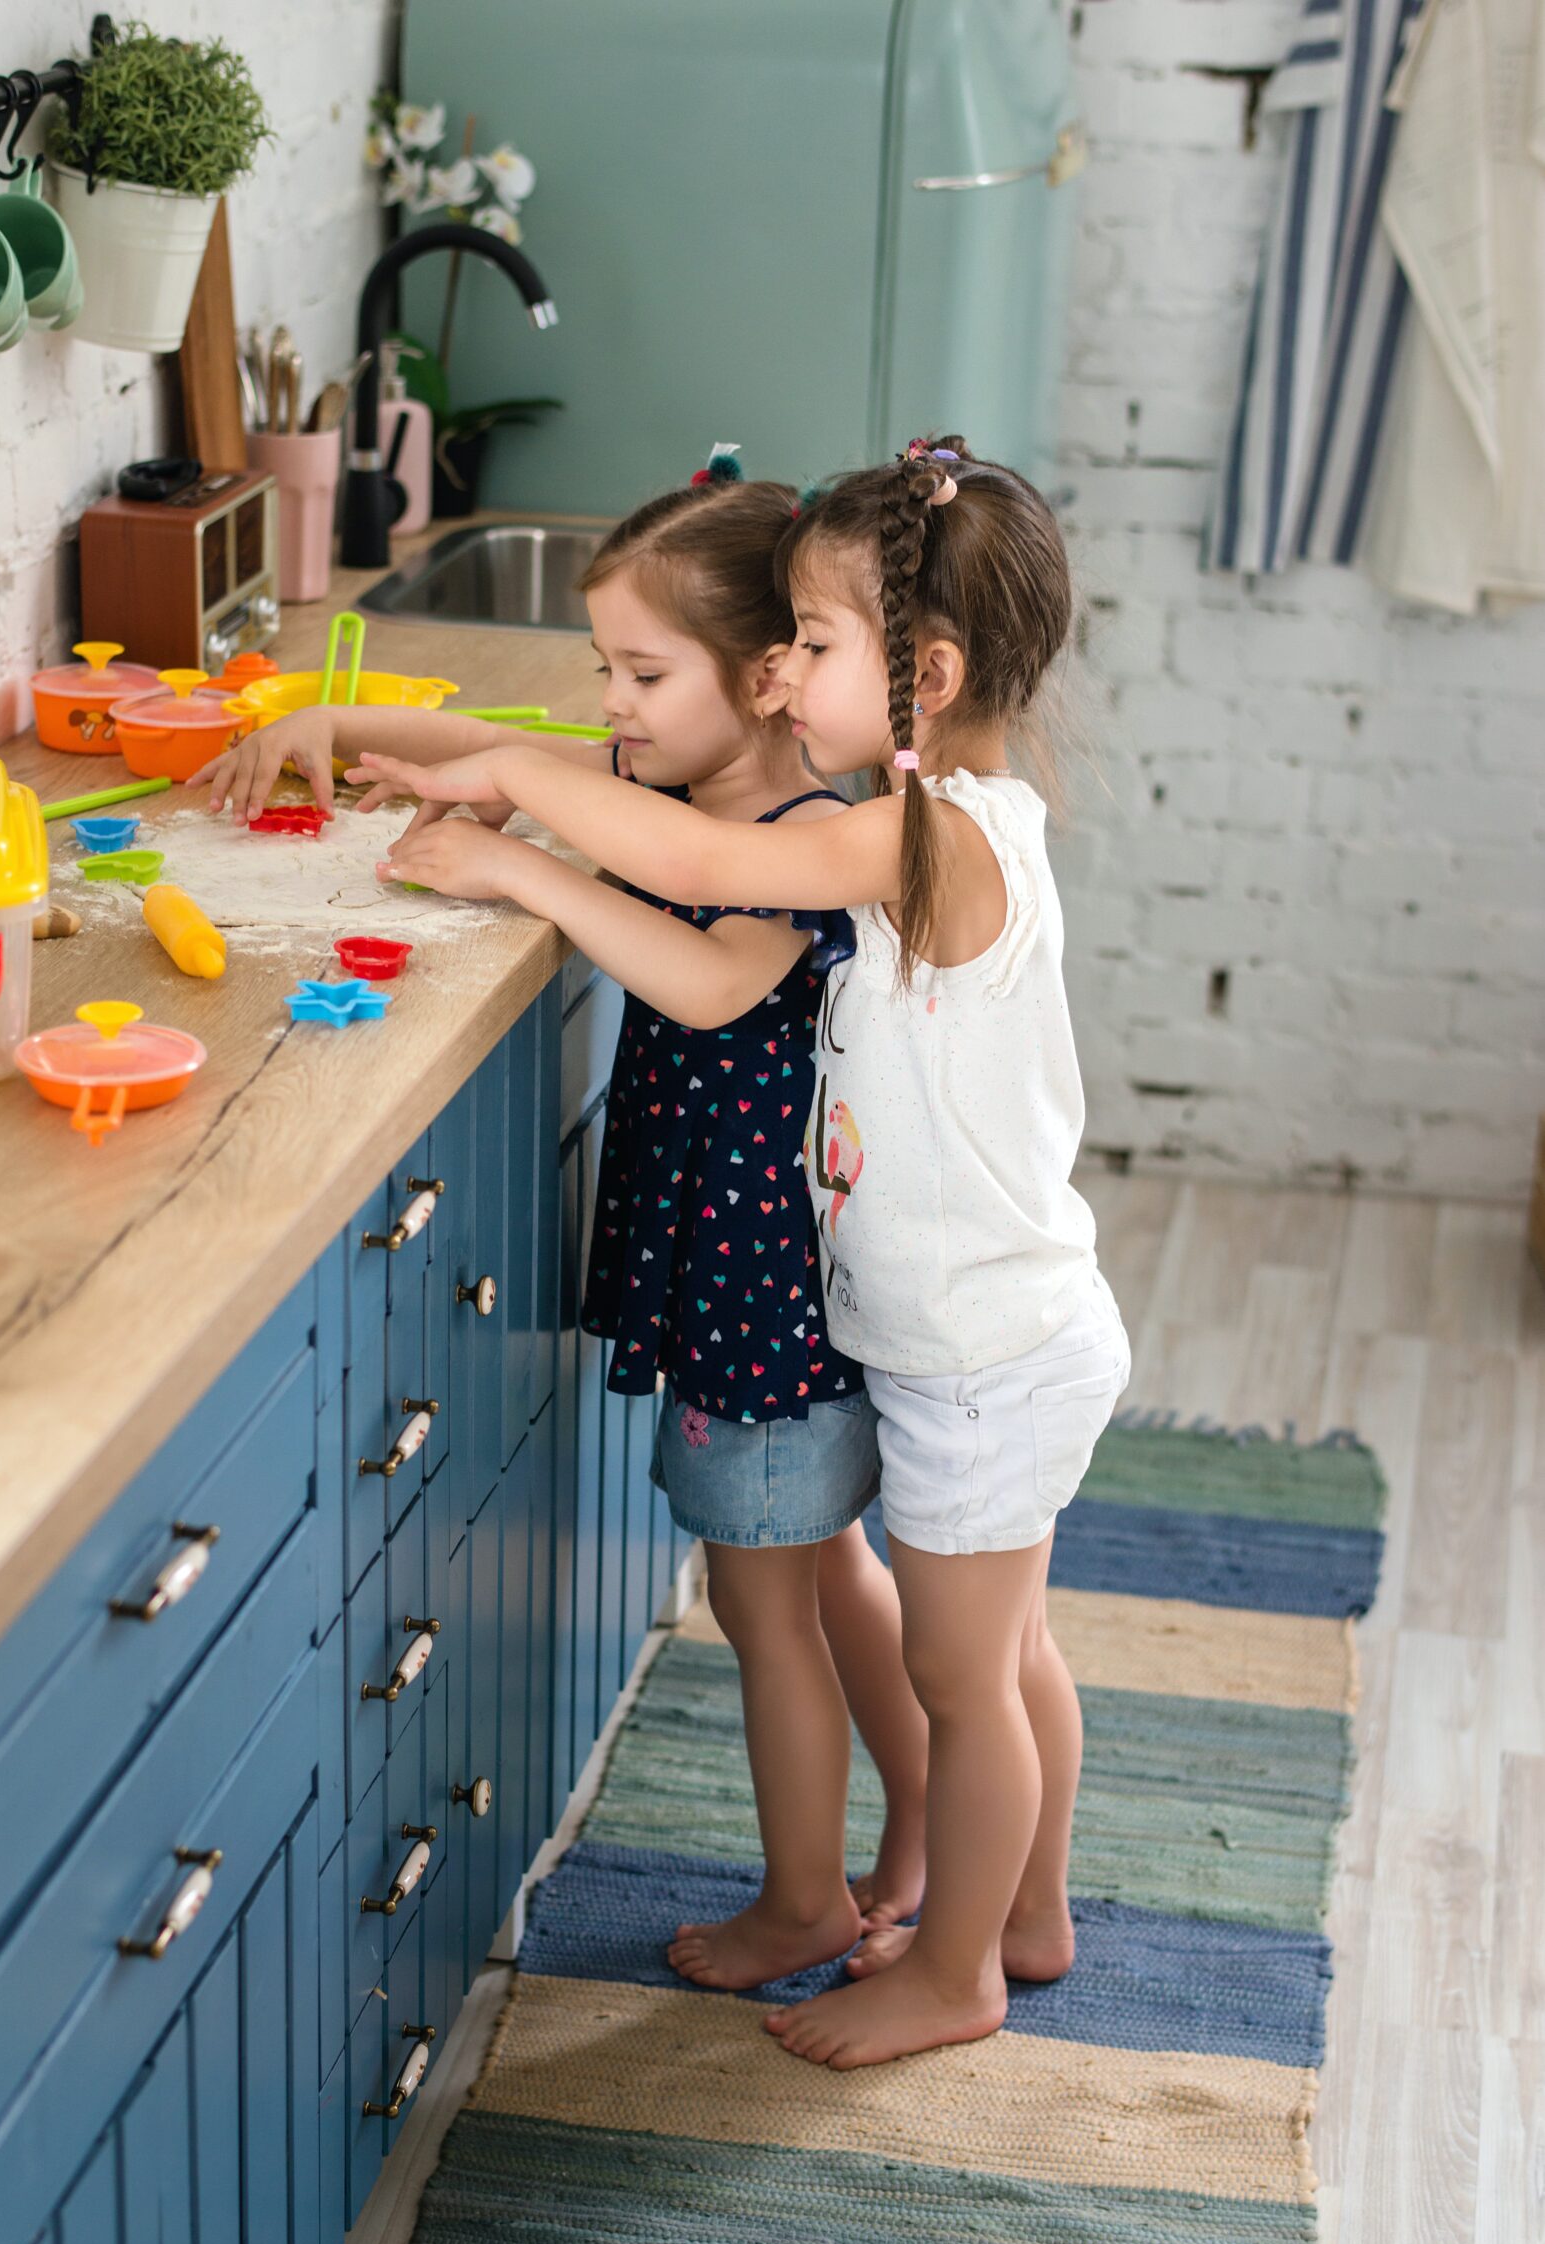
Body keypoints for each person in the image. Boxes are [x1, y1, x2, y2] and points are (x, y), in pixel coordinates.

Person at [363, 438, 1129, 2070]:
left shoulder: (916, 841)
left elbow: (705, 874)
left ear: (920, 675)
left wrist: (507, 831)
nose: (782, 671)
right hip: (1004, 1327)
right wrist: (479, 765)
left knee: (961, 1677)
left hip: (981, 1359)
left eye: (816, 642)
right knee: (1003, 1657)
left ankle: (959, 1976)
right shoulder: (951, 812)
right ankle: (1028, 1913)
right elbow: (678, 832)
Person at [194, 458, 933, 1987]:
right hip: (767, 1281)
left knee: (762, 1600)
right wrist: (327, 727)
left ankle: (805, 1899)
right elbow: (494, 744)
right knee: (820, 1569)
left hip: (765, 1295)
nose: (614, 702)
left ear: (769, 678)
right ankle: (912, 1833)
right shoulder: (689, 782)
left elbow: (710, 979)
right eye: (606, 666)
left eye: (644, 671)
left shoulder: (795, 824)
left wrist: (517, 858)